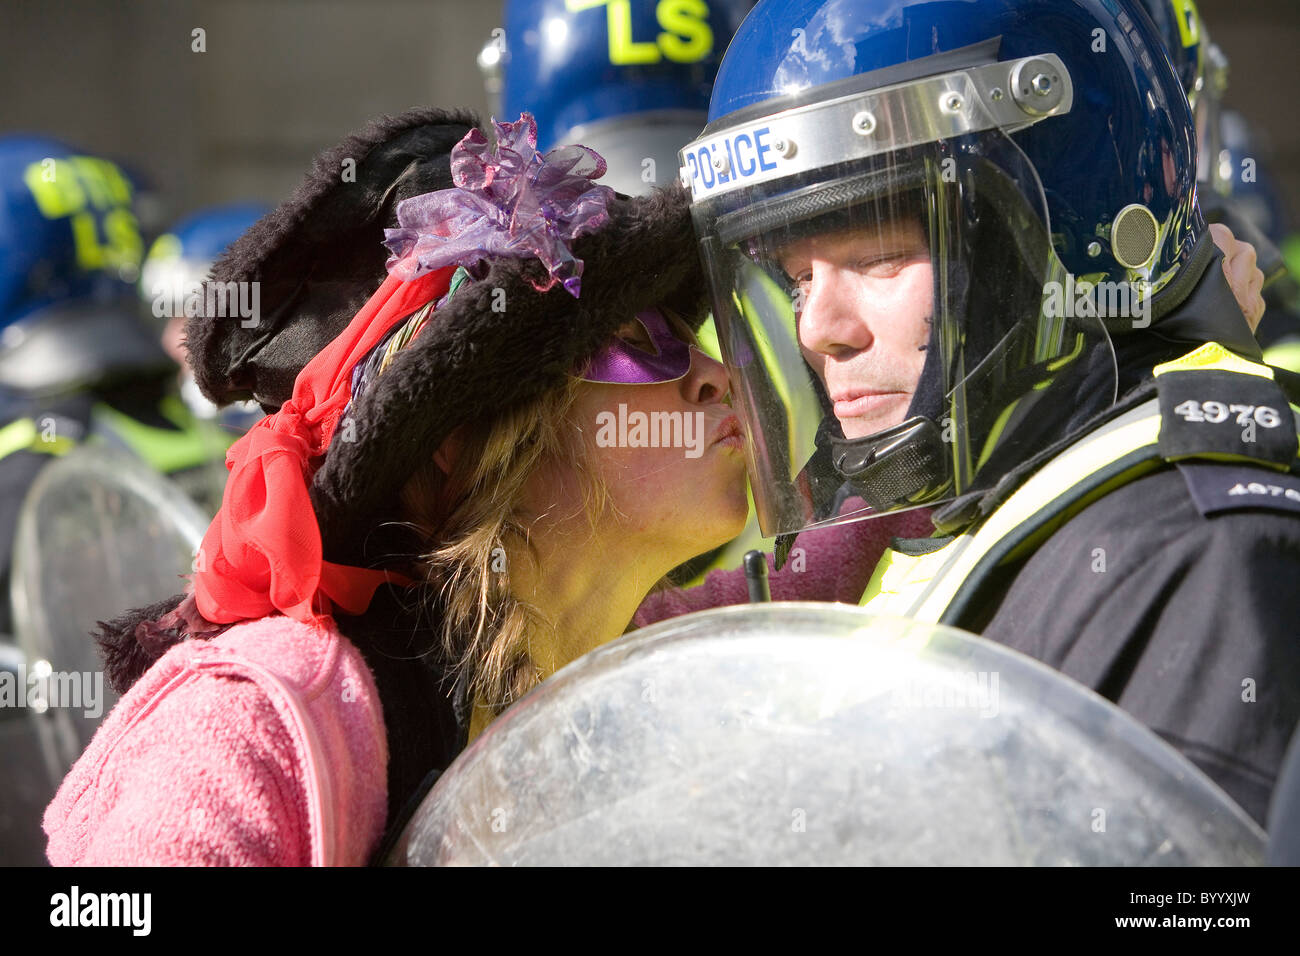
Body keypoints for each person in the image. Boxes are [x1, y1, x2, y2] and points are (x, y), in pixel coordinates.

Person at [43, 111, 747, 865]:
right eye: (639, 345)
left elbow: (858, 548)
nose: (715, 377)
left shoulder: (655, 655)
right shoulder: (262, 721)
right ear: (461, 442)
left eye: (690, 335)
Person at [675, 0, 1300, 825]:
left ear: (1065, 240)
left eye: (878, 259)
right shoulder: (957, 515)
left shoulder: (1195, 553)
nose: (818, 329)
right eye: (796, 279)